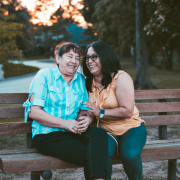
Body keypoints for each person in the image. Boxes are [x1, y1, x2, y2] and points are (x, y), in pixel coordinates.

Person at [23, 42, 108, 180]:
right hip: (46, 135)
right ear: (58, 58)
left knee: (99, 134)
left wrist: (86, 119)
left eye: (77, 58)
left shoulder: (80, 80)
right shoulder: (44, 76)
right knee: (93, 154)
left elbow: (84, 109)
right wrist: (65, 123)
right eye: (70, 56)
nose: (74, 61)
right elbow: (34, 112)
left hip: (72, 132)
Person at [83, 41, 147, 180]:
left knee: (129, 155)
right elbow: (89, 109)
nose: (89, 61)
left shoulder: (120, 77)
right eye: (87, 57)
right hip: (105, 131)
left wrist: (100, 112)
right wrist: (88, 116)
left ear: (105, 57)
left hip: (130, 128)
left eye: (94, 56)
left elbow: (127, 111)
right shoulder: (87, 82)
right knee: (98, 154)